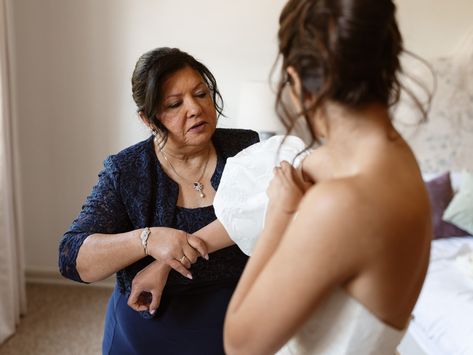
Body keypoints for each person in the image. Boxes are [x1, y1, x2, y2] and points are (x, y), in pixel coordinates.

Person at [221, 0, 432, 354]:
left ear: (296, 82)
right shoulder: (398, 160)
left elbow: (239, 344)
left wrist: (279, 216)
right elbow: (319, 162)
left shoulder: (341, 205)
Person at [58, 47, 259, 355]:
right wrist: (147, 240)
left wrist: (166, 264)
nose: (195, 109)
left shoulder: (244, 147)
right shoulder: (127, 170)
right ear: (149, 119)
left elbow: (264, 217)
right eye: (174, 104)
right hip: (155, 323)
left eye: (201, 94)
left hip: (240, 314)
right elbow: (71, 257)